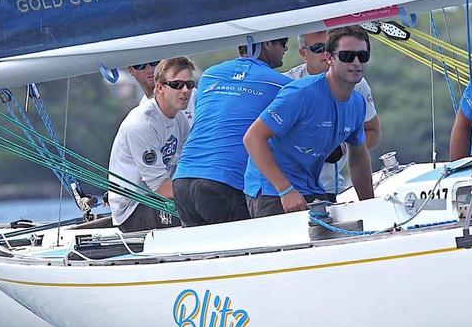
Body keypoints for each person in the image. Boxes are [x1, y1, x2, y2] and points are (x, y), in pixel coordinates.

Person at [243, 26, 375, 216]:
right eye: (347, 56)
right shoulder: (301, 93)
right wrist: (285, 190)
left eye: (362, 56)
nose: (356, 62)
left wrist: (370, 207)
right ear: (329, 58)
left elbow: (358, 157)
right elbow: (253, 138)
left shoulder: (357, 103)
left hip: (311, 188)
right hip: (272, 192)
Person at [172, 38, 291, 226]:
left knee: (205, 255)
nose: (286, 47)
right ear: (265, 43)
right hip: (225, 182)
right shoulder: (283, 85)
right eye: (283, 42)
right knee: (249, 253)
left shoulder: (210, 75)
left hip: (183, 179)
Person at [286, 30, 381, 198]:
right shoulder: (290, 85)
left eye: (329, 46)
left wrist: (342, 148)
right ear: (303, 53)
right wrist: (284, 190)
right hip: (290, 189)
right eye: (318, 48)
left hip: (330, 186)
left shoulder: (355, 82)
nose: (325, 52)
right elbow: (255, 137)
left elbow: (372, 133)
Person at [108, 57, 195, 232]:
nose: (185, 91)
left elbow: (188, 164)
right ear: (160, 88)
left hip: (158, 197)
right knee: (201, 207)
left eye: (189, 84)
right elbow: (161, 188)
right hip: (133, 209)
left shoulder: (179, 118)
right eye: (177, 85)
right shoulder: (141, 125)